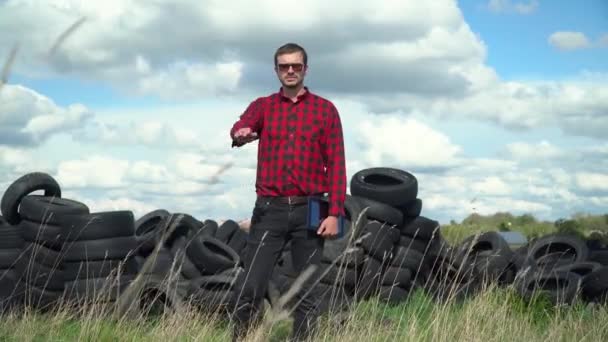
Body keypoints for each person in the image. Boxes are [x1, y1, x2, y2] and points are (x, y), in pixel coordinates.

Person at [228, 42, 347, 341]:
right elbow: (243, 125)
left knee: (305, 290)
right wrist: (241, 133)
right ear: (276, 70)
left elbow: (336, 163)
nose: (290, 70)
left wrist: (334, 212)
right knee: (250, 286)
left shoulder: (325, 110)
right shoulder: (263, 106)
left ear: (306, 69)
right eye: (284, 66)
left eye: (296, 65)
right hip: (271, 209)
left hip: (311, 208)